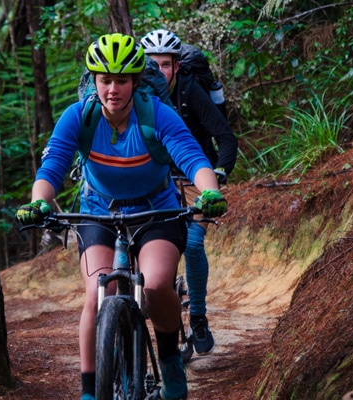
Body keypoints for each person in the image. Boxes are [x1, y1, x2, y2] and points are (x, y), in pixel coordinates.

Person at [16, 33, 227, 400]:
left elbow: (194, 160)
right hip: (99, 210)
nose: (113, 89)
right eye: (105, 80)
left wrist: (209, 192)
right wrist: (39, 203)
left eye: (122, 80)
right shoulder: (79, 116)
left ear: (135, 81)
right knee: (98, 296)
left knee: (159, 283)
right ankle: (89, 392)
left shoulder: (157, 113)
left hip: (155, 209)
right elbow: (52, 169)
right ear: (94, 81)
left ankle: (172, 368)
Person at [140, 29, 238, 356]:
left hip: (196, 177)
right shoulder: (136, 96)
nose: (158, 70)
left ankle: (197, 315)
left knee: (193, 244)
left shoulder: (189, 92)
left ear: (177, 67)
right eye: (152, 64)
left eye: (165, 64)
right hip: (156, 181)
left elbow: (225, 137)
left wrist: (219, 172)